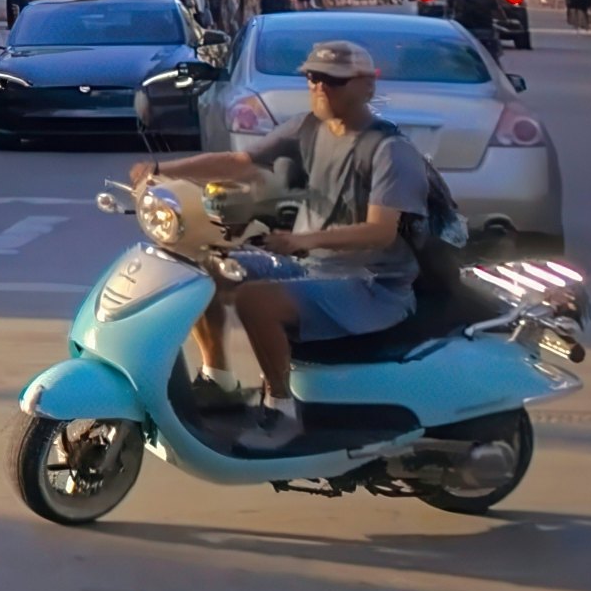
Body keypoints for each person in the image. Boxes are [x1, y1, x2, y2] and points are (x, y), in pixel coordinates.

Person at [137, 38, 440, 448]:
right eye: (313, 78)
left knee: (256, 300)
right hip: (313, 266)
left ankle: (280, 410)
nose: (320, 87)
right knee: (202, 267)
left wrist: (303, 239)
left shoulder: (389, 150)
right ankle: (219, 379)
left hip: (372, 283)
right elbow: (241, 163)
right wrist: (161, 170)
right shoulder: (308, 128)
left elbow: (380, 231)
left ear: (366, 85)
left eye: (334, 80)